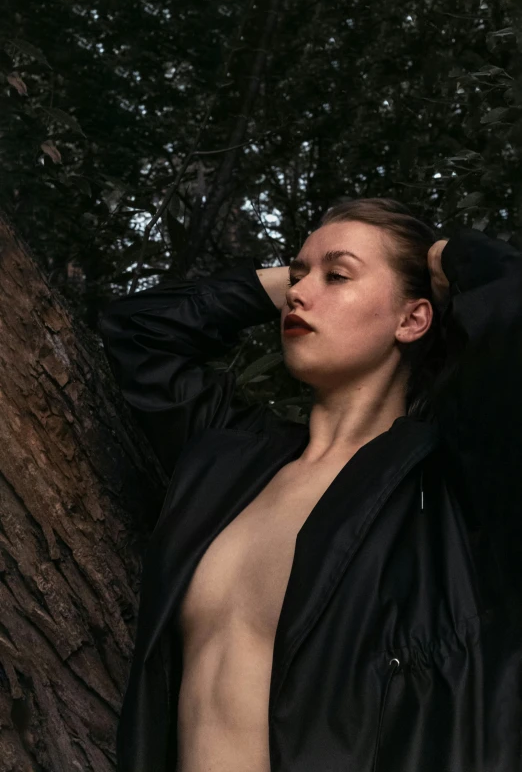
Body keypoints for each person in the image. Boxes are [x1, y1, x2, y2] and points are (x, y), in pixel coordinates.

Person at [98, 197, 522, 772]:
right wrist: (294, 278)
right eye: (298, 276)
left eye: (338, 276)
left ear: (412, 319)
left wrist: (450, 255)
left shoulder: (447, 485)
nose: (300, 292)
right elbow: (138, 332)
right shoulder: (235, 460)